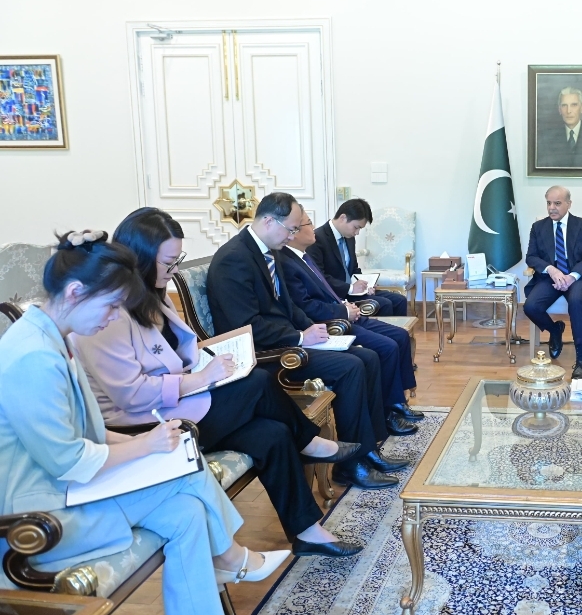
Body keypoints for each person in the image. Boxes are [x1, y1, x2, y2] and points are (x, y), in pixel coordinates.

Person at [0, 231, 288, 615]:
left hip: (68, 491)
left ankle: (219, 579)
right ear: (74, 292)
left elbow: (88, 430)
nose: (112, 318)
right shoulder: (33, 355)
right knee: (186, 471)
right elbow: (66, 460)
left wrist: (150, 442)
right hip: (41, 515)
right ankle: (233, 558)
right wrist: (145, 446)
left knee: (187, 511)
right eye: (110, 305)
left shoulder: (53, 337)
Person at [71, 208, 366, 558]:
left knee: (272, 434)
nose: (174, 270)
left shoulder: (151, 294)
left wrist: (216, 358)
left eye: (177, 260)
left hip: (179, 403)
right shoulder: (106, 314)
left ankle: (308, 533)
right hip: (146, 424)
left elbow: (180, 351)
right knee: (258, 382)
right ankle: (310, 442)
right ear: (139, 259)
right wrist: (200, 378)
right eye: (168, 262)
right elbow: (132, 395)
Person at [207, 192, 411, 491]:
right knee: (350, 367)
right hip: (266, 352)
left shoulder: (269, 250)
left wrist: (312, 329)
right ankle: (350, 466)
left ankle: (367, 450)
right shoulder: (234, 259)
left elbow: (289, 307)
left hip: (287, 339)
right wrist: (301, 337)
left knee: (366, 357)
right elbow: (247, 326)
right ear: (268, 221)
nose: (292, 235)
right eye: (290, 229)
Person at [279, 209, 423, 426]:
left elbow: (327, 287)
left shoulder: (303, 257)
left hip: (343, 309)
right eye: (308, 223)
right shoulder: (289, 262)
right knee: (386, 347)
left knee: (400, 336)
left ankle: (397, 401)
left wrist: (347, 302)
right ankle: (389, 411)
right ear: (294, 232)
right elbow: (306, 305)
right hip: (331, 322)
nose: (314, 228)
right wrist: (343, 310)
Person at [523, 186, 582, 379]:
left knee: (576, 301)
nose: (552, 208)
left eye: (557, 203)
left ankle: (581, 360)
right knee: (531, 306)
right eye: (549, 203)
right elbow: (531, 257)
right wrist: (551, 269)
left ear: (568, 204)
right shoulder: (538, 227)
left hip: (578, 277)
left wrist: (571, 276)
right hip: (551, 277)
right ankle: (555, 330)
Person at [306, 198, 409, 316]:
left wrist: (366, 285)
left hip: (353, 291)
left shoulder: (349, 238)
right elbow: (320, 277)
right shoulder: (317, 239)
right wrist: (350, 288)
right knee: (384, 304)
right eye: (356, 227)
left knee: (400, 300)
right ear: (343, 218)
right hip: (335, 294)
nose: (357, 233)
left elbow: (353, 268)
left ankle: (397, 329)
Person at [535, 87, 582, 169]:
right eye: (564, 105)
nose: (568, 111)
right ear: (559, 110)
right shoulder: (546, 139)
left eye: (574, 105)